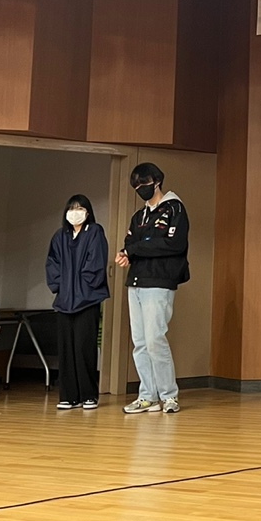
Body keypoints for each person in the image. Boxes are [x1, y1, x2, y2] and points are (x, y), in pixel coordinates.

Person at [116, 162, 189, 416]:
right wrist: (128, 252)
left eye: (143, 184)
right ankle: (147, 396)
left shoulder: (174, 208)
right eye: (135, 186)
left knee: (155, 339)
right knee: (139, 342)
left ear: (156, 182)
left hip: (159, 281)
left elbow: (172, 244)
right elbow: (130, 241)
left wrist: (136, 249)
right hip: (136, 282)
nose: (140, 189)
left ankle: (169, 395)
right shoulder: (139, 216)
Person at [46, 194, 109, 410]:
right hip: (64, 301)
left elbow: (96, 263)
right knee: (66, 349)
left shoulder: (95, 232)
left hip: (87, 300)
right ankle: (68, 396)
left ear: (88, 212)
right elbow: (52, 263)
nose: (75, 212)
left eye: (80, 208)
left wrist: (84, 286)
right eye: (72, 208)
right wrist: (61, 286)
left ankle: (88, 395)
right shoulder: (60, 236)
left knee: (84, 348)